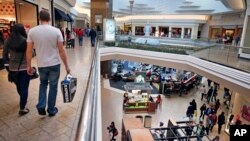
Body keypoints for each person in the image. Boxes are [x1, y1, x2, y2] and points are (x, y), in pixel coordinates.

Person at [26, 10, 70, 116]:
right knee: (53, 86)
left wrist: (28, 66)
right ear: (49, 19)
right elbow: (61, 50)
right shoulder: (56, 31)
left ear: (39, 18)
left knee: (43, 84)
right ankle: (51, 110)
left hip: (41, 64)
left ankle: (41, 105)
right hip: (54, 64)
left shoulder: (32, 31)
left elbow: (29, 51)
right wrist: (67, 66)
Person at [3, 24, 30, 116]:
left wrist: (8, 67)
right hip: (24, 68)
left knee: (18, 86)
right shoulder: (26, 41)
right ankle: (22, 107)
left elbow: (5, 56)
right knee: (24, 88)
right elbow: (30, 55)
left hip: (13, 69)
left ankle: (23, 99)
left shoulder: (8, 41)